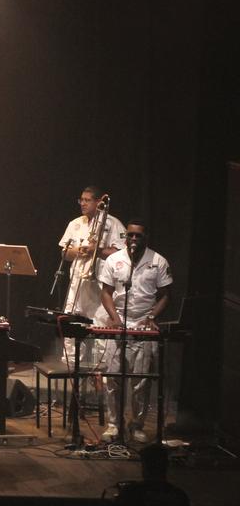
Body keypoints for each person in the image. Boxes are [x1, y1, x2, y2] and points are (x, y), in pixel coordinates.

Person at [98, 220, 172, 444]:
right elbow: (106, 292)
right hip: (118, 323)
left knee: (140, 381)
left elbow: (166, 294)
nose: (132, 239)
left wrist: (151, 317)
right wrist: (114, 317)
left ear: (145, 237)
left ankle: (136, 425)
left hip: (143, 325)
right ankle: (114, 424)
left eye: (137, 236)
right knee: (112, 378)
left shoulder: (158, 261)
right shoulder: (114, 259)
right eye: (129, 235)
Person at [58, 186, 125, 366]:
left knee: (100, 326)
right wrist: (80, 250)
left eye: (87, 200)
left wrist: (97, 250)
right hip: (77, 281)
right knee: (71, 325)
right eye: (81, 200)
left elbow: (121, 253)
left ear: (98, 202)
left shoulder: (112, 223)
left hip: (100, 284)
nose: (83, 204)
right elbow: (64, 253)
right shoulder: (75, 223)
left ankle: (100, 372)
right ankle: (70, 367)